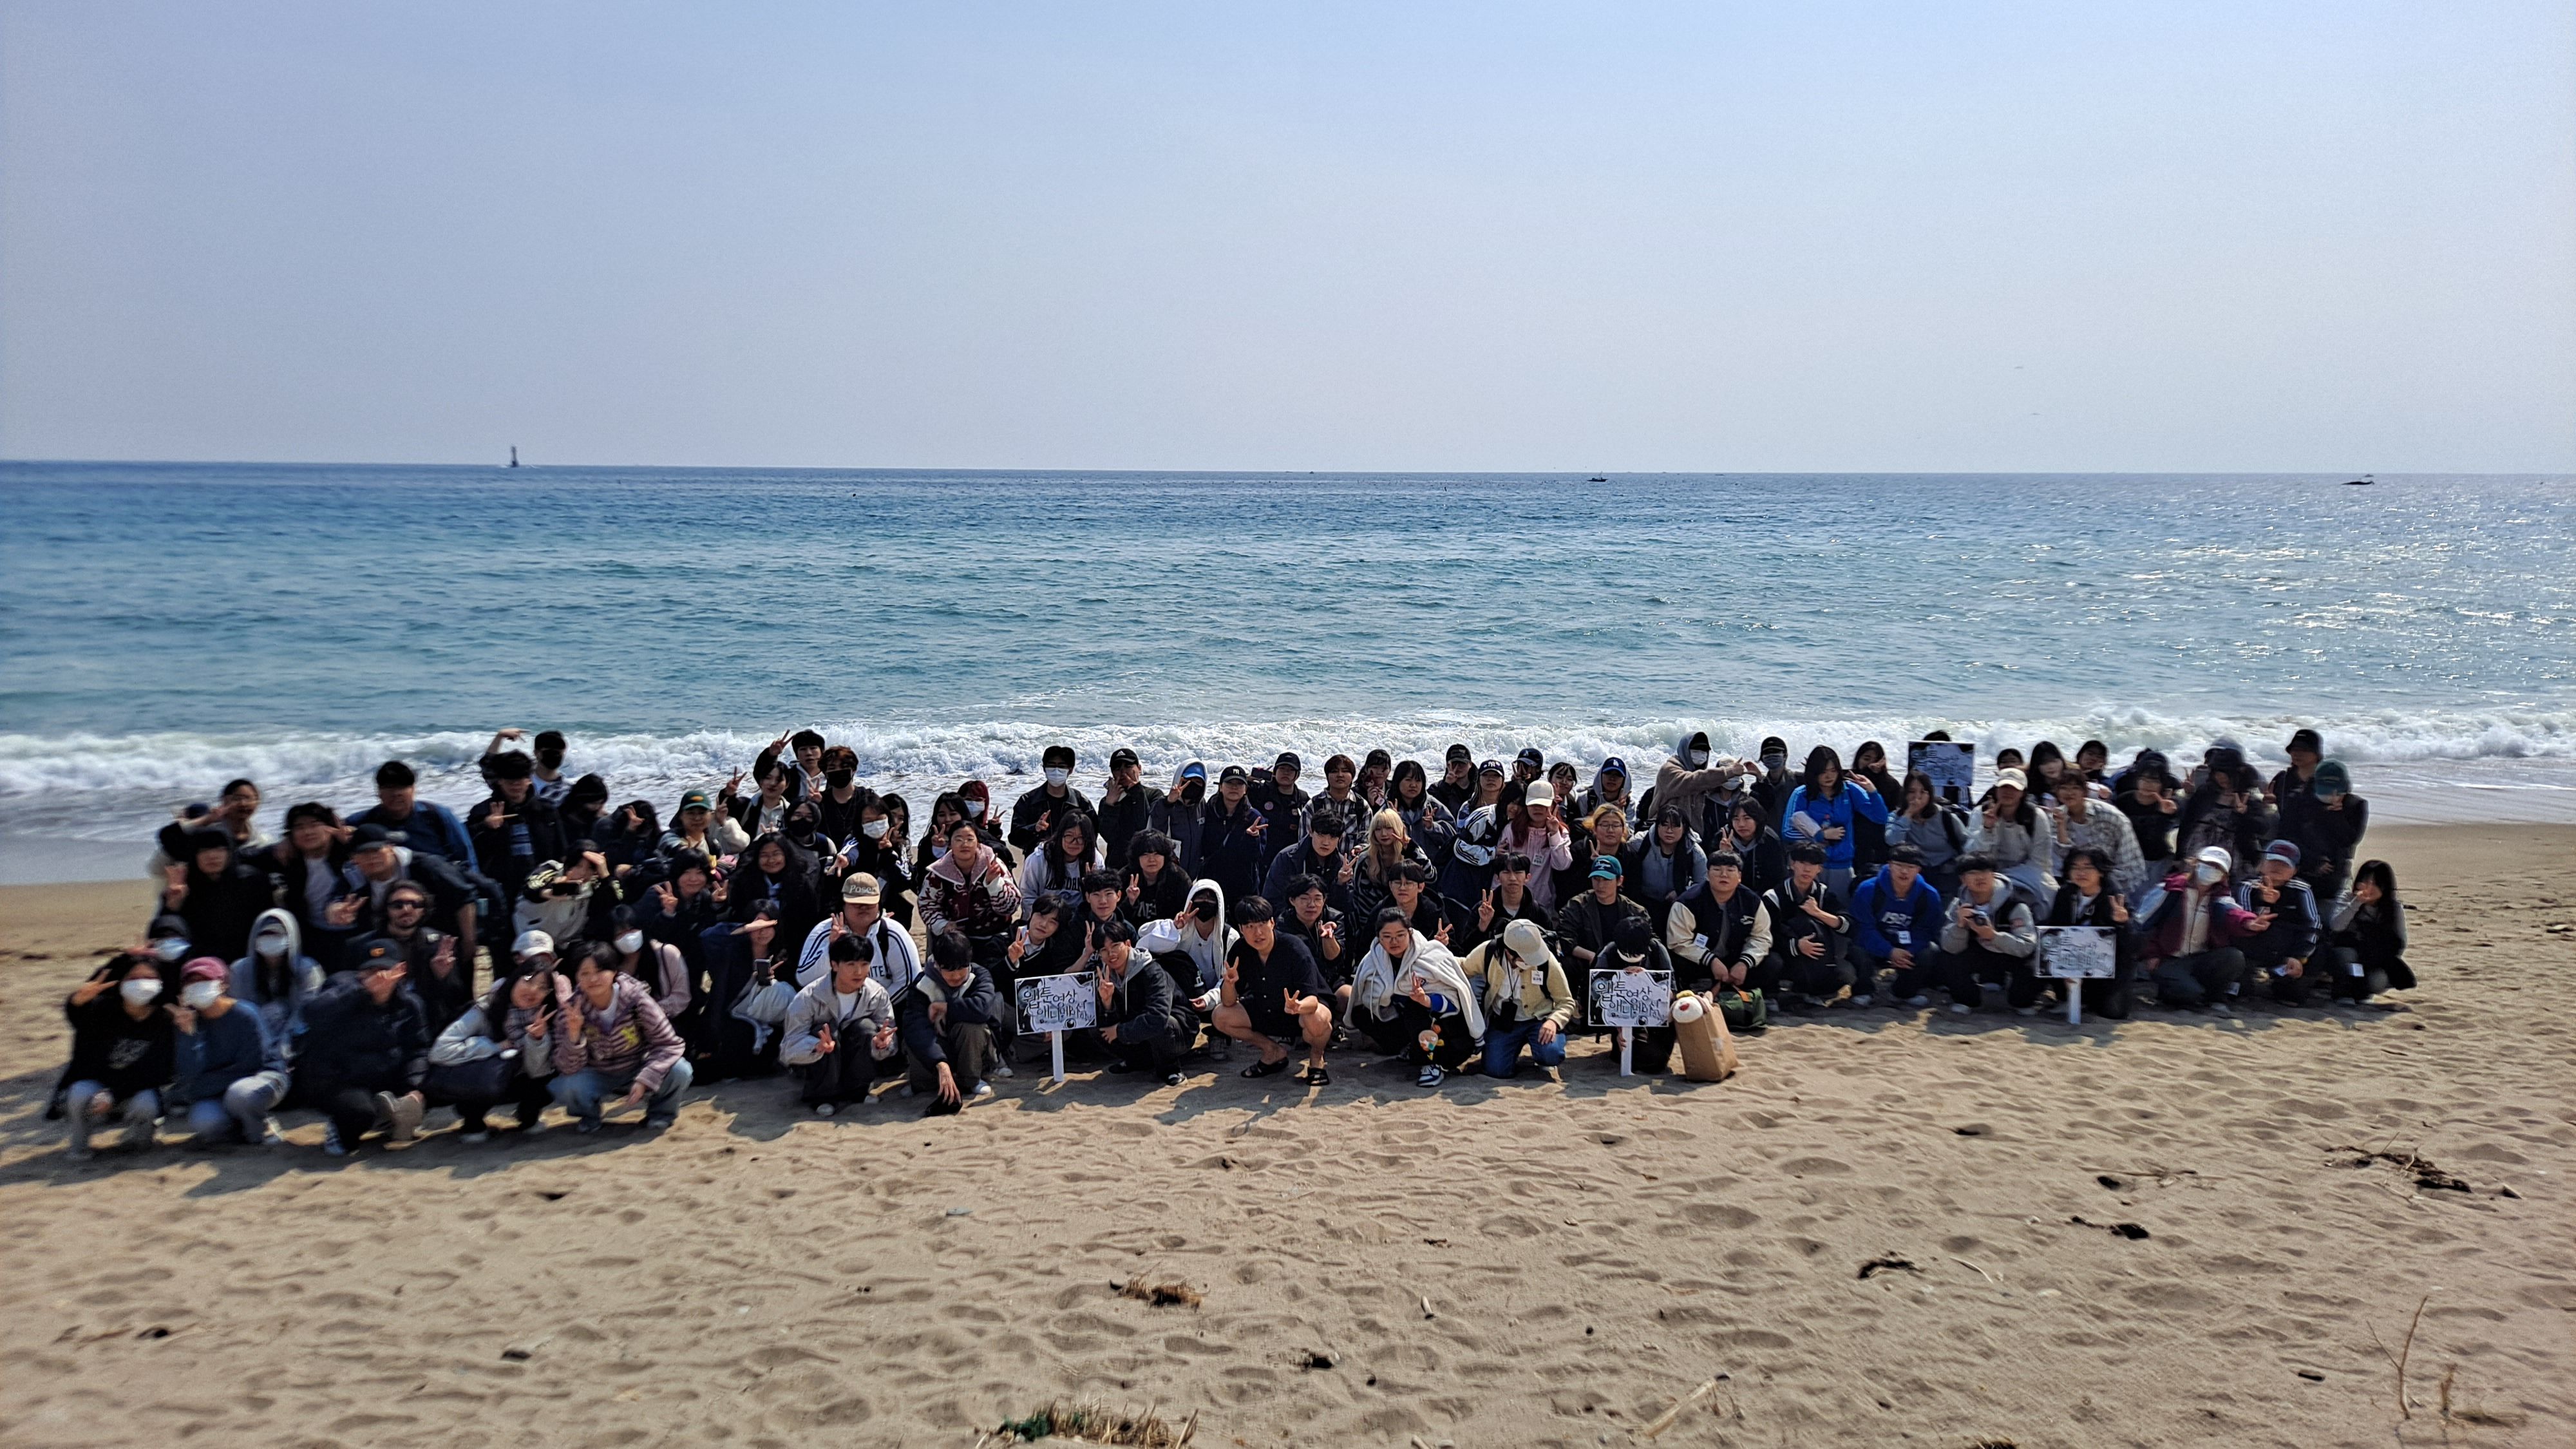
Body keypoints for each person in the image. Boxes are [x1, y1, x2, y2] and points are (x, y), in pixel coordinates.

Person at [293, 938, 432, 1155]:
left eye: (385, 970)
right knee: (359, 1115)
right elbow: (311, 1013)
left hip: (386, 1076)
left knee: (427, 1089)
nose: (379, 977)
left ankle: (389, 1118)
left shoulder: (410, 1004)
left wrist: (414, 1088)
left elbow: (418, 1049)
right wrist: (360, 992)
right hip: (342, 1080)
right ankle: (345, 1126)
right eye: (370, 971)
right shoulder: (341, 988)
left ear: (400, 971)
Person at [549, 942, 692, 1133]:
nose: (593, 979)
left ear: (615, 972)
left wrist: (646, 1079)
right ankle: (589, 1117)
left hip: (638, 1066)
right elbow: (567, 1067)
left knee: (680, 1070)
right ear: (577, 977)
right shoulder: (569, 1011)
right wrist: (574, 1036)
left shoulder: (637, 1000)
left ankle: (661, 1114)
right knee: (567, 1086)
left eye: (600, 971)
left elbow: (669, 1045)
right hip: (597, 1073)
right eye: (585, 973)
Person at [426, 962, 566, 1141]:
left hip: (515, 1079)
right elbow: (440, 1050)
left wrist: (537, 1040)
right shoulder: (486, 1008)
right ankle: (473, 1122)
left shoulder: (546, 1018)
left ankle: (528, 1116)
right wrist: (494, 1047)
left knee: (548, 1078)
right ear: (514, 979)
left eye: (542, 988)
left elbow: (538, 1072)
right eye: (528, 981)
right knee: (488, 1078)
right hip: (480, 1081)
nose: (533, 990)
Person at [1349, 909, 1483, 1086]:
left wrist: (1426, 1000)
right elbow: (1365, 996)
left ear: (1410, 933)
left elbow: (1454, 1002)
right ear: (1379, 938)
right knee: (1361, 1013)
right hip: (1403, 1018)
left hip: (1449, 1030)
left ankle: (1431, 1064)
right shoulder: (1373, 960)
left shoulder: (1430, 956)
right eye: (1387, 936)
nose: (1394, 941)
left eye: (1400, 935)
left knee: (1415, 1008)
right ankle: (1411, 1046)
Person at [61, 954, 175, 1160]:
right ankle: (80, 1148)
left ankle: (142, 1146)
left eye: (150, 977)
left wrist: (115, 1094)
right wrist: (76, 1001)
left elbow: (158, 1072)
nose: (142, 983)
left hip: (137, 1088)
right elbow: (78, 1019)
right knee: (79, 1092)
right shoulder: (102, 1010)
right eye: (133, 978)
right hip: (99, 1084)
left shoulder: (165, 1019)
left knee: (147, 1103)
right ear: (121, 982)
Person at [167, 956, 289, 1146]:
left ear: (223, 985)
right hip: (216, 1090)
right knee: (203, 1121)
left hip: (260, 1079)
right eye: (191, 982)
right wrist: (189, 1035)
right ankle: (238, 1131)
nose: (197, 986)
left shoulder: (245, 1014)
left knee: (239, 1094)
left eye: (205, 980)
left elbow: (252, 1065)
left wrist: (204, 1085)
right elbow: (189, 1072)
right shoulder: (188, 1021)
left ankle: (261, 1127)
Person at [1212, 896, 1334, 1084]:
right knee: (1220, 1015)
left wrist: (1298, 1006)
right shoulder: (1240, 950)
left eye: (1262, 924)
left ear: (1272, 922)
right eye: (1250, 927)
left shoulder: (1294, 948)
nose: (1258, 933)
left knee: (1317, 1018)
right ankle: (1272, 1051)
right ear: (1241, 929)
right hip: (1266, 1008)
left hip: (1301, 1011)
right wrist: (1229, 983)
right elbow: (1228, 1002)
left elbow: (1312, 1000)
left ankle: (1317, 1058)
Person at [781, 934, 900, 1115]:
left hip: (854, 1057)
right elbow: (788, 1048)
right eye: (851, 965)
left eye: (865, 964)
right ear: (835, 965)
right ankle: (822, 1097)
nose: (859, 972)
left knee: (866, 1028)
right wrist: (816, 1046)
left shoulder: (877, 994)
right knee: (825, 1032)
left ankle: (858, 1091)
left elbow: (889, 1035)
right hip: (816, 1064)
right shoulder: (808, 998)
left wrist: (882, 1044)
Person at [2135, 846, 2260, 1013]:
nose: (2211, 870)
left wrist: (2249, 923)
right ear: (2195, 863)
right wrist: (2152, 954)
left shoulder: (2220, 897)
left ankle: (2215, 997)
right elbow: (2143, 922)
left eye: (2218, 868)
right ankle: (2179, 993)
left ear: (2224, 875)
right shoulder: (2170, 890)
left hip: (2201, 957)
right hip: (2168, 959)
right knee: (2189, 993)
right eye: (2208, 864)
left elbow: (2234, 913)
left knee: (2234, 957)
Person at [894, 931, 1004, 1115]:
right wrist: (940, 1063)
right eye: (949, 972)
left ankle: (971, 1080)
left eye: (961, 970)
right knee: (916, 1037)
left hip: (968, 1046)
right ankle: (925, 1083)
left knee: (973, 1027)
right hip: (937, 1046)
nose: (956, 977)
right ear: (937, 965)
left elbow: (983, 1008)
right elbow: (915, 1026)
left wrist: (946, 1008)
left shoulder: (980, 975)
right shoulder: (922, 984)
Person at [1463, 918, 1577, 1079]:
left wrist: (1554, 1021)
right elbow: (1463, 967)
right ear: (1509, 953)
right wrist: (1440, 955)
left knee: (1551, 1055)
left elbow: (1566, 1001)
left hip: (1539, 1020)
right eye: (1526, 958)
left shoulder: (1547, 961)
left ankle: (1542, 1055)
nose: (1531, 962)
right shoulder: (1489, 952)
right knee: (1495, 1070)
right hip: (1504, 1021)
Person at [1088, 918, 1195, 1084]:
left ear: (1128, 944)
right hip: (1139, 1032)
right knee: (1096, 1027)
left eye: (1115, 946)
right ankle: (1138, 1061)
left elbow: (1158, 1017)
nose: (1111, 954)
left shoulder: (1152, 971)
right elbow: (1107, 1022)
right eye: (1104, 950)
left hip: (1179, 1031)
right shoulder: (1105, 976)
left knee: (1164, 1023)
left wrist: (1120, 1031)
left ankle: (1170, 1068)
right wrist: (1107, 1002)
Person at [1931, 853, 2040, 1015]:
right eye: (1973, 873)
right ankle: (1966, 1000)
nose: (1980, 878)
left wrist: (1993, 936)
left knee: (2030, 977)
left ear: (1994, 875)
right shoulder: (1959, 904)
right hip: (1977, 952)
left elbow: (2027, 946)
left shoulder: (2015, 905)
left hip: (2010, 953)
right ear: (1963, 879)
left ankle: (2020, 1000)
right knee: (1947, 958)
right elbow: (1949, 946)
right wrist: (1960, 926)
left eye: (1985, 872)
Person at [366, 878, 475, 1038]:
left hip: (426, 1025)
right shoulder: (364, 945)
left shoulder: (439, 943)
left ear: (424, 910)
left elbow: (455, 996)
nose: (407, 909)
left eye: (415, 904)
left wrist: (440, 976)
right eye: (398, 905)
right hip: (377, 1025)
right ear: (386, 909)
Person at [165, 828, 282, 972]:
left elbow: (270, 921)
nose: (212, 856)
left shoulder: (251, 880)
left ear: (230, 851)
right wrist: (172, 907)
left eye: (220, 849)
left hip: (250, 960)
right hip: (201, 964)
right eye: (204, 851)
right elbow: (166, 935)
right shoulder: (185, 887)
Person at [2039, 847, 2136, 1019]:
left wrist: (2122, 923)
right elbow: (2056, 930)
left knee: (2114, 1012)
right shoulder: (2065, 894)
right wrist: (2066, 967)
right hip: (2070, 957)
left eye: (2088, 867)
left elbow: (2131, 945)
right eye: (2075, 867)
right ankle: (2066, 996)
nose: (2081, 873)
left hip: (2107, 964)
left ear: (2101, 871)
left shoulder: (2115, 899)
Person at [469, 750, 569, 914]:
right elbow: (470, 853)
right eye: (510, 781)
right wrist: (486, 826)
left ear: (529, 779)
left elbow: (561, 850)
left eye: (520, 779)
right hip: (501, 886)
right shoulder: (482, 811)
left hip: (541, 881)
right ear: (500, 781)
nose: (515, 785)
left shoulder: (546, 809)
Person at [1663, 851, 1774, 997]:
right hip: (1700, 960)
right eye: (1717, 870)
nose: (1724, 875)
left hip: (1736, 959)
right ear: (1707, 875)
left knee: (1773, 963)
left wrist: (1745, 963)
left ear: (1740, 876)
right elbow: (1678, 941)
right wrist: (1711, 961)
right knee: (1678, 962)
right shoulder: (1687, 902)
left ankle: (1742, 990)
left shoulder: (1752, 901)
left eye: (1730, 870)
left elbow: (1761, 937)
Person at [1781, 746, 1888, 897]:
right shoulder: (1801, 794)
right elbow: (1787, 832)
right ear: (1813, 772)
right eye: (1823, 772)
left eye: (1833, 770)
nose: (1829, 776)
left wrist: (1872, 791)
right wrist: (1820, 835)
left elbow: (1880, 817)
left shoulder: (1849, 790)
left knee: (1840, 908)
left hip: (1842, 865)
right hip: (1810, 866)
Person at [1849, 844, 1946, 1009]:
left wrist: (1909, 951)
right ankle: (1863, 991)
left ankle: (1903, 992)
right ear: (1889, 865)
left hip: (1906, 944)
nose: (1904, 871)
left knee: (1930, 951)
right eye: (1899, 865)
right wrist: (1889, 951)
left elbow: (1926, 930)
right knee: (1856, 949)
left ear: (1919, 870)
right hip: (1875, 941)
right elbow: (1863, 928)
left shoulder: (1929, 895)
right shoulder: (1867, 890)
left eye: (1911, 867)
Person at [1757, 842, 1853, 1008]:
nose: (1807, 869)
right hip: (1784, 953)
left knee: (1847, 972)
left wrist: (1818, 913)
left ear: (1820, 869)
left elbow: (1847, 925)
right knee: (1771, 961)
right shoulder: (1774, 896)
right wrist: (1796, 945)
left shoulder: (1823, 893)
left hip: (1817, 955)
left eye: (1813, 864)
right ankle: (1771, 995)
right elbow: (1767, 934)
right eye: (1802, 863)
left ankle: (1810, 992)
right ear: (1792, 864)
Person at [797, 873, 921, 996]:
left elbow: (910, 981)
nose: (864, 908)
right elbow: (803, 979)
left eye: (869, 903)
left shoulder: (892, 933)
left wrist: (876, 1006)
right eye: (856, 903)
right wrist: (832, 949)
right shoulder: (825, 931)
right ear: (843, 904)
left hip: (884, 1004)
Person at [2240, 840, 2325, 1005]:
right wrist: (2263, 902)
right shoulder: (2246, 887)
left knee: (2318, 953)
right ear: (2262, 864)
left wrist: (2298, 956)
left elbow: (2313, 924)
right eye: (2273, 862)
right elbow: (2240, 922)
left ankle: (2286, 986)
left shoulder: (2302, 889)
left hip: (2289, 948)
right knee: (2241, 990)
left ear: (2295, 870)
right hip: (2256, 945)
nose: (2277, 868)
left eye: (2285, 864)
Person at [2044, 770, 2148, 900]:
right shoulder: (2054, 818)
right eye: (2064, 788)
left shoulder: (2111, 816)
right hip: (2076, 879)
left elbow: (2130, 861)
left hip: (2116, 879)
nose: (2069, 793)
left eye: (2075, 788)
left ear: (2085, 792)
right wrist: (2061, 826)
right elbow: (2063, 858)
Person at [350, 760, 476, 865]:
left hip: (437, 878)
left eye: (402, 787)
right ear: (379, 792)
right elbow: (340, 830)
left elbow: (466, 856)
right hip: (389, 883)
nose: (396, 793)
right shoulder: (366, 821)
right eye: (390, 788)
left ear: (413, 789)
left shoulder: (438, 816)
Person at [2322, 859, 2412, 1004]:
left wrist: (2375, 955)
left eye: (2375, 883)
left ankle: (2362, 992)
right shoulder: (2347, 897)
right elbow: (2336, 925)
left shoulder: (2393, 909)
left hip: (2374, 958)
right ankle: (2343, 992)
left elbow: (2400, 942)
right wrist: (2356, 903)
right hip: (2347, 952)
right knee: (2347, 957)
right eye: (2365, 881)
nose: (2369, 887)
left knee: (2377, 981)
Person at [2280, 759, 2367, 902]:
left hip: (2335, 872)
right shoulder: (2298, 799)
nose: (2332, 796)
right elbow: (2286, 835)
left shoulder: (2355, 805)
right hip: (2300, 865)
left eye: (2338, 792)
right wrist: (2312, 861)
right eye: (2326, 790)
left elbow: (2350, 841)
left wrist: (2336, 816)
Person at [1967, 768, 2053, 901]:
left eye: (2014, 789)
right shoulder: (1980, 812)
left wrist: (2007, 878)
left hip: (2028, 873)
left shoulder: (2036, 816)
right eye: (2004, 787)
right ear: (1996, 790)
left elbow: (2040, 861)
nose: (2008, 792)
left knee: (2050, 891)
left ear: (2023, 793)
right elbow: (1972, 855)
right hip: (1988, 874)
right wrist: (1987, 829)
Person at [1556, 856, 1649, 978]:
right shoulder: (1577, 906)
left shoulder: (1635, 911)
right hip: (1588, 962)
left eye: (1606, 880)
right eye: (1596, 879)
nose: (1600, 885)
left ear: (1619, 881)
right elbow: (1566, 939)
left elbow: (1650, 941)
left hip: (1626, 963)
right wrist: (1594, 957)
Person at [1655, 730, 1756, 843]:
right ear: (1685, 750)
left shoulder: (1704, 779)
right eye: (1695, 751)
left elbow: (1715, 785)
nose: (1700, 754)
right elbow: (1692, 781)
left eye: (1704, 751)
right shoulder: (1669, 770)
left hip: (1692, 837)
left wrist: (1754, 779)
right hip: (1664, 834)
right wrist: (1728, 772)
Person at [1264, 810, 1357, 923]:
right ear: (1311, 832)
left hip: (1328, 926)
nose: (1326, 843)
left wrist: (1341, 884)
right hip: (1289, 924)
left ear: (1340, 838)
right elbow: (1273, 900)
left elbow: (1346, 909)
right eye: (1321, 835)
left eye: (1332, 837)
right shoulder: (1287, 858)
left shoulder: (1342, 865)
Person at [1276, 873, 1352, 1012]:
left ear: (1324, 900)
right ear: (1292, 900)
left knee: (1350, 997)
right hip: (1304, 983)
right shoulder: (1283, 924)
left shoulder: (1334, 918)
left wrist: (1328, 939)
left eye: (1317, 899)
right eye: (1304, 899)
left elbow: (1335, 960)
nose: (1311, 905)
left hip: (1331, 980)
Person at [605, 904, 692, 1022]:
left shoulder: (667, 954)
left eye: (631, 930)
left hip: (668, 1023)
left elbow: (682, 997)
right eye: (620, 934)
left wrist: (650, 1012)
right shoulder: (612, 969)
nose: (628, 936)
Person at [1886, 772, 1968, 898]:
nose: (1917, 797)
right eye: (1912, 792)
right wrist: (1908, 815)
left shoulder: (1945, 816)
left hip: (1946, 873)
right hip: (1914, 873)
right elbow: (1892, 840)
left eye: (1923, 792)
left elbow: (1966, 843)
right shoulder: (1896, 817)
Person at [1458, 849, 1553, 956]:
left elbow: (1550, 950)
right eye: (1506, 872)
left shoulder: (1538, 913)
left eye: (1518, 873)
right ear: (1498, 878)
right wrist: (1482, 926)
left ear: (1527, 877)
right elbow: (1466, 952)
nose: (1512, 878)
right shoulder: (1483, 910)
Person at [1497, 782, 1574, 913]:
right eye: (1533, 804)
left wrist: (1554, 835)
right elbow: (1500, 869)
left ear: (1552, 805)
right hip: (1509, 902)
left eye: (1543, 805)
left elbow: (1562, 865)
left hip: (1541, 904)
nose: (1538, 809)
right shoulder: (1512, 829)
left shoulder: (1560, 832)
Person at [1629, 804, 1707, 934]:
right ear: (1657, 825)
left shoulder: (1695, 853)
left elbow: (1703, 885)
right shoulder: (1639, 843)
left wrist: (1682, 891)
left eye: (1675, 826)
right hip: (1642, 903)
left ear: (1684, 828)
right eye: (1664, 825)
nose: (1669, 831)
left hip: (1678, 905)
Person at [1010, 744, 1096, 856]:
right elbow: (1014, 838)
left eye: (1061, 766)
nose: (1056, 770)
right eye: (1052, 766)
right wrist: (1035, 829)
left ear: (1070, 770)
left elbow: (1092, 836)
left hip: (1072, 861)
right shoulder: (1027, 801)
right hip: (1038, 861)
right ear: (1044, 769)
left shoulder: (1081, 803)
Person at [2114, 752, 2183, 877]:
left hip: (2157, 863)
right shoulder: (2124, 800)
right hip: (2125, 860)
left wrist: (2165, 815)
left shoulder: (2170, 805)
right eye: (2144, 779)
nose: (2148, 784)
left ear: (2163, 783)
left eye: (2155, 780)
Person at [1016, 813, 1102, 910]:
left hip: (1080, 915)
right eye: (1069, 836)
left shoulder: (1095, 860)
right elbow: (1027, 896)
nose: (1075, 842)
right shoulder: (1039, 859)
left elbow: (1101, 899)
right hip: (1046, 914)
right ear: (1060, 836)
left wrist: (1092, 885)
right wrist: (1043, 916)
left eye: (1081, 838)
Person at [1119, 830, 1194, 926]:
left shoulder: (1179, 879)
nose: (1151, 859)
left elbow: (1185, 913)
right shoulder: (1125, 876)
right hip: (1132, 932)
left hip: (1168, 932)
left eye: (1157, 854)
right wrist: (1130, 902)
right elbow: (1114, 917)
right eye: (1145, 854)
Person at [1096, 746, 1154, 867]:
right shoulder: (1107, 802)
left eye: (1128, 766)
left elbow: (1144, 828)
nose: (1123, 773)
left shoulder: (1153, 795)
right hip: (1116, 866)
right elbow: (1108, 836)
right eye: (1117, 768)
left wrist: (1137, 792)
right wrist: (1110, 805)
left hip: (1146, 866)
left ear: (1139, 768)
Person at [1719, 799, 1790, 899]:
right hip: (1730, 896)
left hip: (1763, 897)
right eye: (1736, 819)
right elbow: (1713, 875)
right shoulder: (1723, 838)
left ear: (1757, 819)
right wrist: (1725, 855)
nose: (1741, 824)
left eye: (1747, 818)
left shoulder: (1770, 840)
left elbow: (1778, 877)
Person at [1249, 751, 1311, 863]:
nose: (1286, 773)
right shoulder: (1260, 791)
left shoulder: (1302, 798)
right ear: (1274, 771)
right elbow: (1231, 796)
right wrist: (1247, 780)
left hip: (1289, 859)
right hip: (1262, 856)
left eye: (1291, 770)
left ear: (1297, 775)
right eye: (1282, 769)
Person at [1573, 757, 1635, 827]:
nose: (1612, 778)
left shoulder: (1628, 803)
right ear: (1600, 775)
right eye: (1608, 773)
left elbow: (1630, 831)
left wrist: (1619, 816)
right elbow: (1576, 827)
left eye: (1618, 775)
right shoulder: (1586, 799)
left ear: (1625, 780)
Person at [1428, 744, 1478, 813]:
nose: (1458, 767)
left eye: (1462, 763)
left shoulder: (1481, 787)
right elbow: (1432, 808)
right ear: (1448, 765)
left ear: (1470, 764)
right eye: (1454, 763)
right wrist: (1446, 786)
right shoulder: (1436, 789)